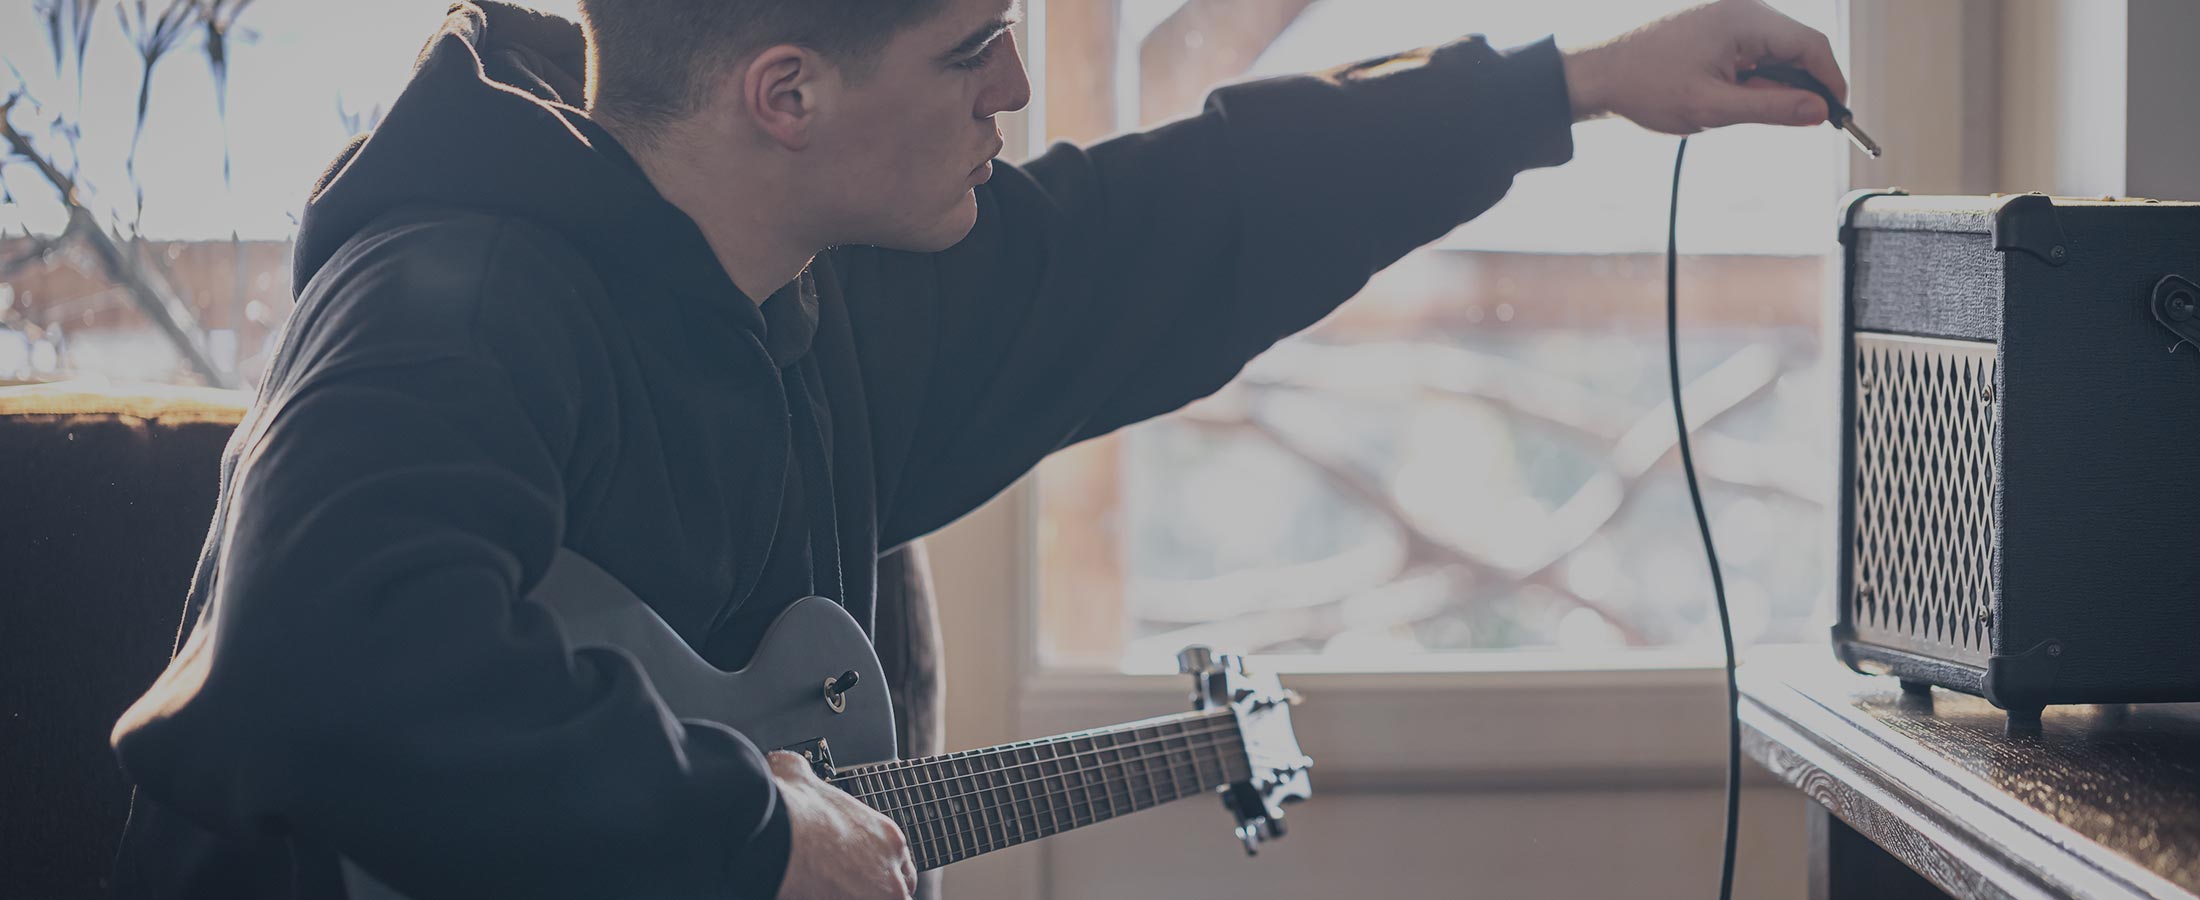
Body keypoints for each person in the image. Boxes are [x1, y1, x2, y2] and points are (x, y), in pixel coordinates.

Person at [107, 0, 1847, 897]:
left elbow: (1186, 217)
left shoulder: (814, 284)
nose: (1015, 95)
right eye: (971, 52)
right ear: (784, 95)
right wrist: (743, 839)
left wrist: (1580, 81)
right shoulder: (456, 293)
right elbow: (314, 665)